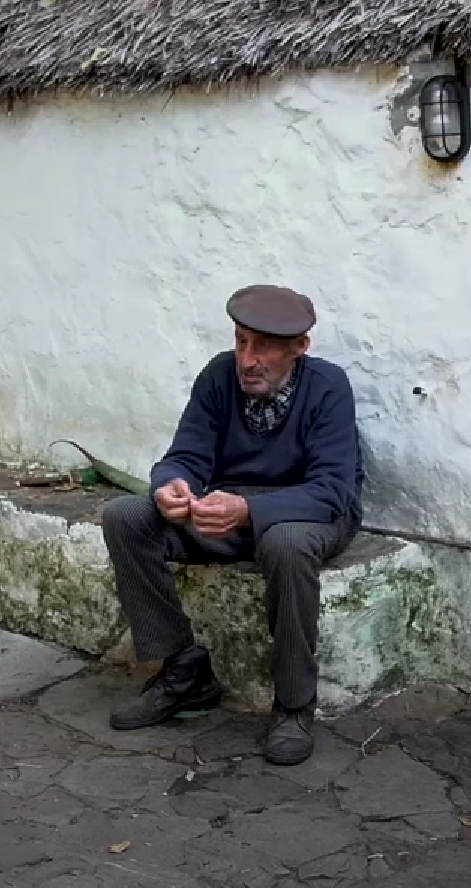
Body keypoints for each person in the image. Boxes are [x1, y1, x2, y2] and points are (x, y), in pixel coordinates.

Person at [102, 284, 363, 766]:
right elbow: (185, 455)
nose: (247, 359)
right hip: (228, 507)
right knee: (126, 517)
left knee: (285, 544)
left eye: (262, 347)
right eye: (242, 341)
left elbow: (332, 491)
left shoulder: (328, 387)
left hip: (308, 511)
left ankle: (293, 706)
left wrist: (248, 510)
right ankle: (184, 671)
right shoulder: (219, 376)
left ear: (298, 348)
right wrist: (171, 486)